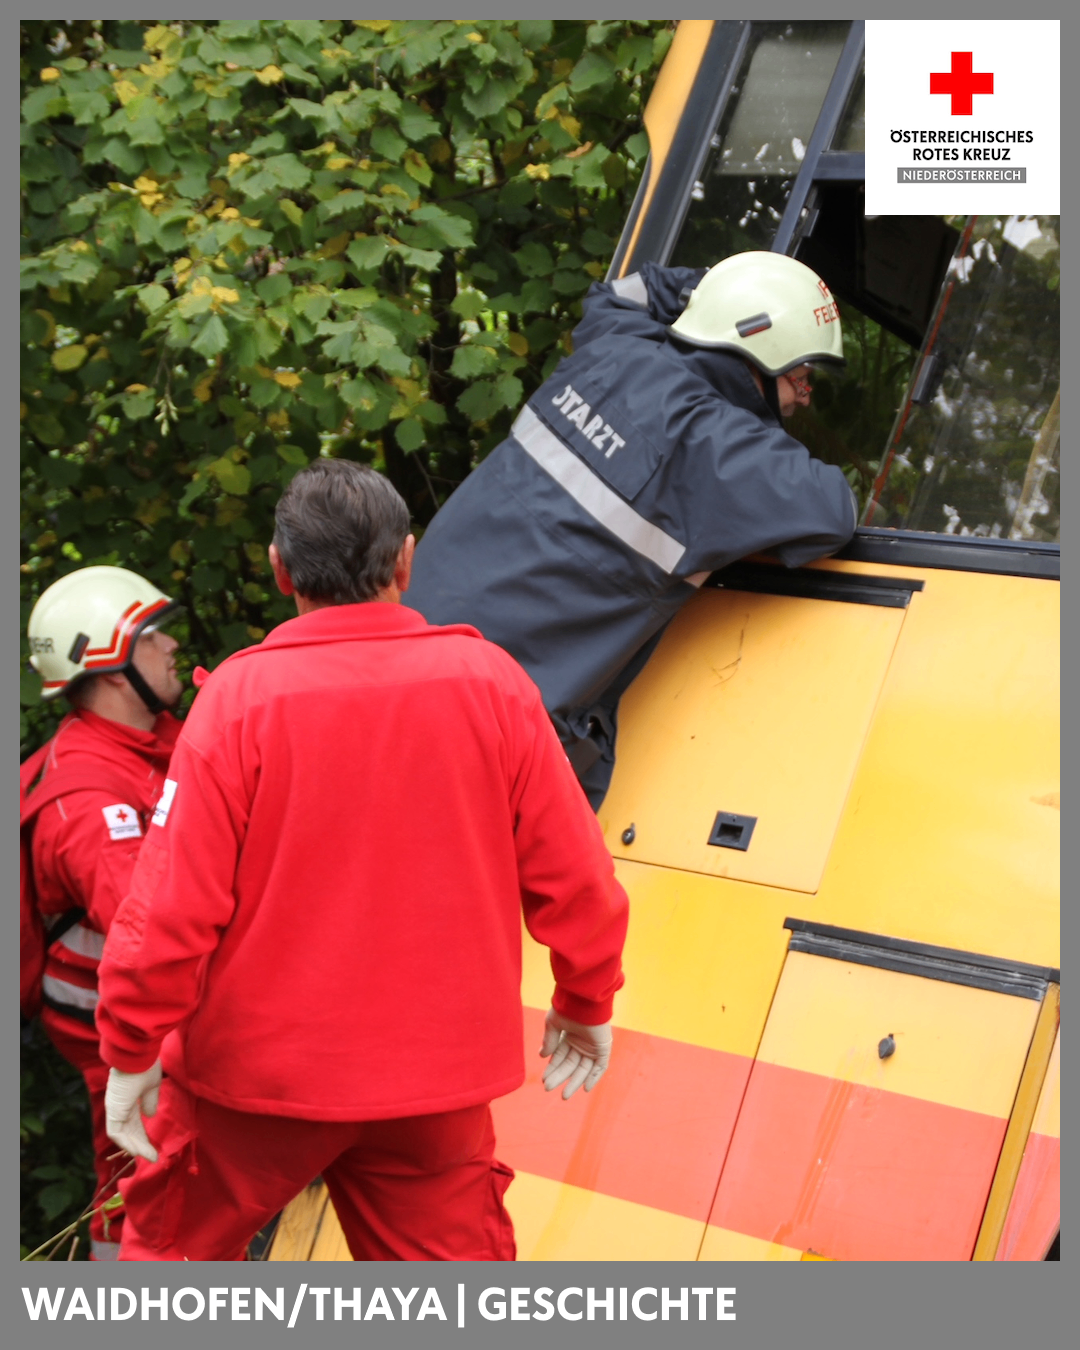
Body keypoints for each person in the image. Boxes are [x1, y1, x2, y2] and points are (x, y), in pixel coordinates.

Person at [95, 460, 628, 1262]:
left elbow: (171, 907)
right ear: (405, 560)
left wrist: (130, 1046)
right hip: (434, 1087)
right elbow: (576, 875)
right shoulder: (491, 684)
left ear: (280, 569)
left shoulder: (242, 700)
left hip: (255, 1086)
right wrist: (585, 997)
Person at [404, 250, 859, 808]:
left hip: (398, 645)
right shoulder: (729, 456)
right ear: (756, 349)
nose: (806, 394)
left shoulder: (616, 346)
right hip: (486, 723)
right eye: (801, 374)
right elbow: (835, 511)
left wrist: (720, 289)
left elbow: (623, 292)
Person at [22, 566, 184, 1259]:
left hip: (149, 1006)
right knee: (141, 1181)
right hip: (118, 1021)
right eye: (155, 636)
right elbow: (145, 934)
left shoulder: (148, 746)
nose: (173, 646)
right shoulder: (88, 800)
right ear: (112, 668)